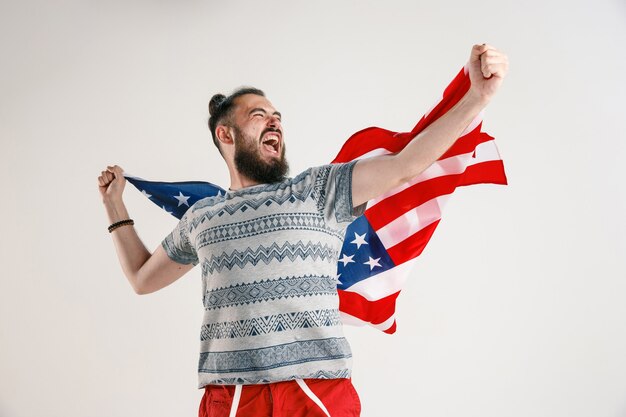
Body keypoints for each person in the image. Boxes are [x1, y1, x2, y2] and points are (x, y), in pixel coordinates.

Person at [97, 44, 508, 417]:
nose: (274, 122)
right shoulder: (202, 217)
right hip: (233, 398)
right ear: (226, 134)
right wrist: (115, 205)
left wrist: (477, 98)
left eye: (277, 117)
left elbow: (406, 165)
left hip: (316, 392)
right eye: (259, 116)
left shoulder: (319, 189)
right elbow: (141, 278)